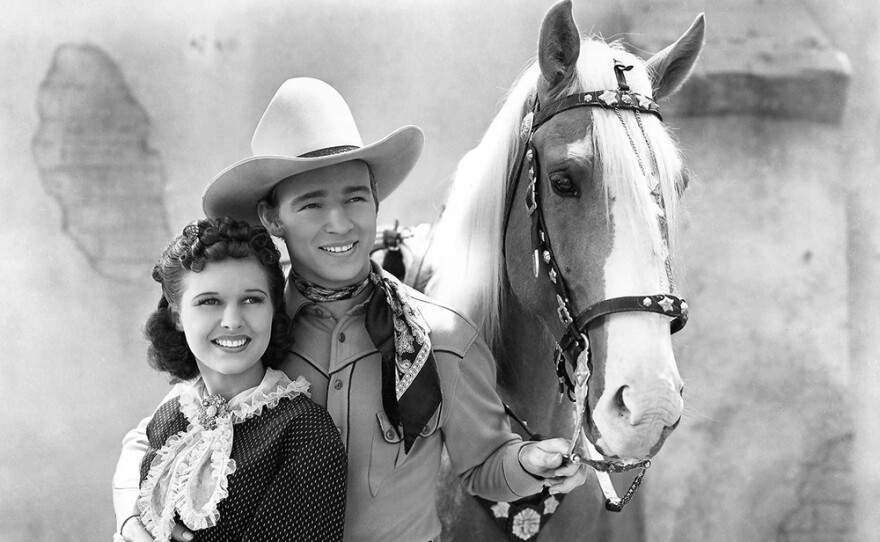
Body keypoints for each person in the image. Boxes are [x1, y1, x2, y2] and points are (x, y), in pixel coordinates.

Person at [113, 77, 586, 542]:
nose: (339, 223)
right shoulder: (251, 328)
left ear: (376, 201)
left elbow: (484, 466)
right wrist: (132, 519)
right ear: (272, 218)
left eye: (355, 198)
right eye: (312, 204)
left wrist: (529, 463)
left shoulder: (440, 338)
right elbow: (165, 430)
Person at [116, 217, 347, 542]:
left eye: (252, 299)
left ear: (273, 309)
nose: (232, 321)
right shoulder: (172, 413)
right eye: (210, 301)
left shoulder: (305, 434)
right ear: (177, 316)